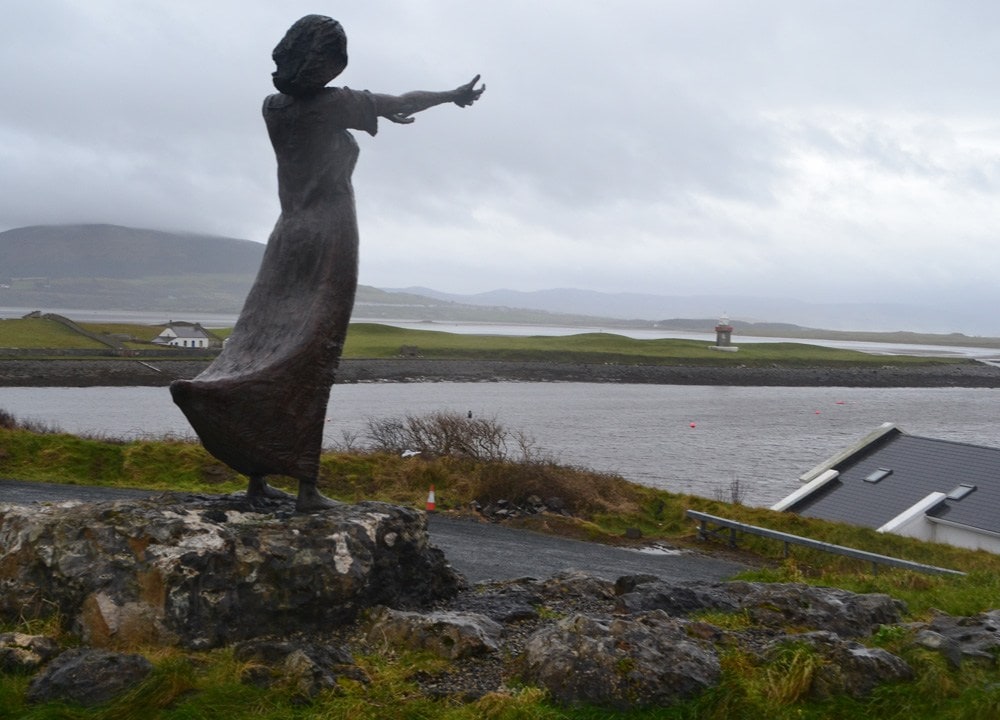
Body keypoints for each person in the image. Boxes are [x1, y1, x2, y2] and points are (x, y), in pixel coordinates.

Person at [170, 15, 484, 511]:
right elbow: (400, 101)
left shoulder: (274, 106)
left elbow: (367, 110)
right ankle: (306, 488)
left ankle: (255, 475)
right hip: (330, 233)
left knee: (261, 338)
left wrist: (375, 115)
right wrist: (452, 96)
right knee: (314, 349)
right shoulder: (333, 105)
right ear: (328, 62)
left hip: (287, 233)